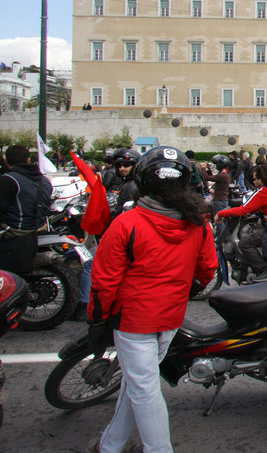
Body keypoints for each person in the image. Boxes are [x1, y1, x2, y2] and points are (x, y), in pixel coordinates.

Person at [87, 146, 217, 453]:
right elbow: (207, 270)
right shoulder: (198, 223)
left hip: (133, 320)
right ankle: (110, 444)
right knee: (135, 384)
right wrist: (182, 292)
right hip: (169, 317)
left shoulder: (127, 223)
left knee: (143, 389)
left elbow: (104, 281)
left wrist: (97, 320)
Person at [215, 164, 267, 283]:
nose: (253, 181)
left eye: (255, 179)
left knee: (244, 242)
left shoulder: (263, 192)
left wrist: (221, 213)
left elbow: (243, 209)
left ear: (261, 180)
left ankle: (263, 270)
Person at [0, 145, 53, 274]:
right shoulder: (45, 181)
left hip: (13, 233)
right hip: (38, 229)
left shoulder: (8, 180)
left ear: (6, 161)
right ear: (28, 160)